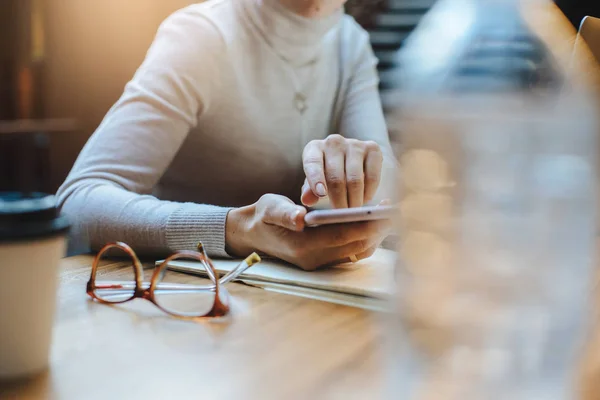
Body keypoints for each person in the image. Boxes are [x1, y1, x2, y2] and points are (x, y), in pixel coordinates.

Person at [56, 0, 397, 271]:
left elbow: (391, 189)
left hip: (299, 307)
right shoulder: (202, 34)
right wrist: (236, 228)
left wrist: (359, 179)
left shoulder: (350, 42)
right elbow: (77, 203)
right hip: (190, 299)